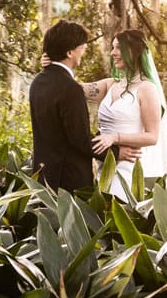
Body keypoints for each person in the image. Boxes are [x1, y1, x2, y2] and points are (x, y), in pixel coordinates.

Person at [28, 19, 140, 191]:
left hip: (43, 178)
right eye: (82, 46)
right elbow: (79, 139)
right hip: (68, 181)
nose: (84, 50)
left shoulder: (38, 82)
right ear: (70, 52)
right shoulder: (69, 88)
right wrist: (116, 153)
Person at [81, 28, 167, 199]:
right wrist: (53, 67)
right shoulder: (110, 85)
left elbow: (152, 136)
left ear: (134, 51)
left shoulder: (146, 89)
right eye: (112, 48)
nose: (113, 53)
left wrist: (115, 138)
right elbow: (74, 90)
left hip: (128, 165)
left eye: (118, 48)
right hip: (104, 163)